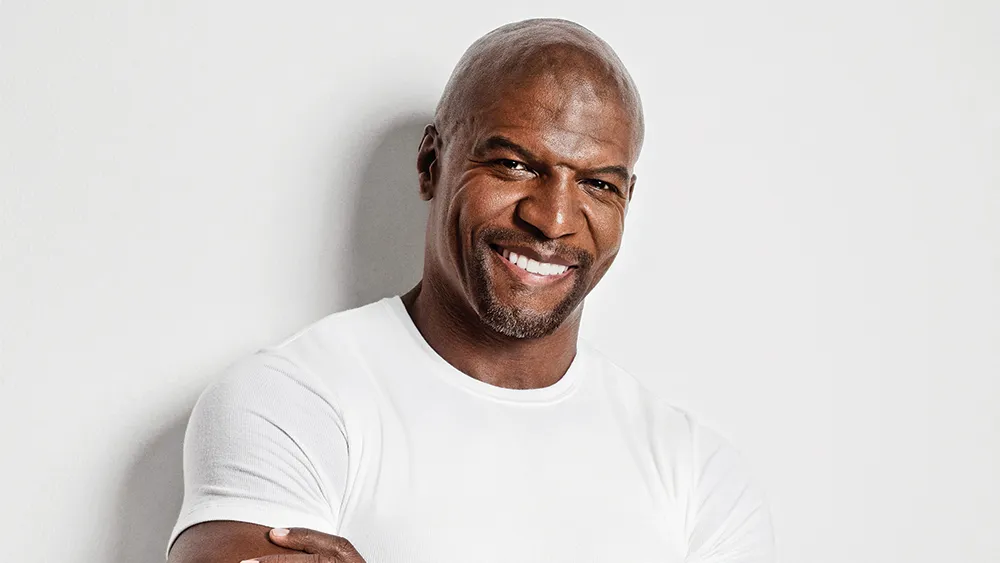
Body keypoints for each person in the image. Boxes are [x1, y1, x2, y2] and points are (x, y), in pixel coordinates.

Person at [166, 18, 775, 563]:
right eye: (515, 165)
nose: (554, 219)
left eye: (598, 185)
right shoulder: (292, 404)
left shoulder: (699, 474)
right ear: (431, 163)